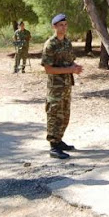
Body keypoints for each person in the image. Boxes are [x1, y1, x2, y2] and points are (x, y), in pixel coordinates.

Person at [41, 13, 84, 159]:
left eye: (65, 25)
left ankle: (59, 141)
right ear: (54, 27)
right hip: (56, 87)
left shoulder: (66, 42)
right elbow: (48, 69)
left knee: (65, 115)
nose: (64, 27)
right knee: (54, 115)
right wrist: (70, 69)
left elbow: (69, 61)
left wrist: (75, 67)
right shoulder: (50, 45)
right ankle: (53, 146)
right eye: (61, 25)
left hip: (66, 86)